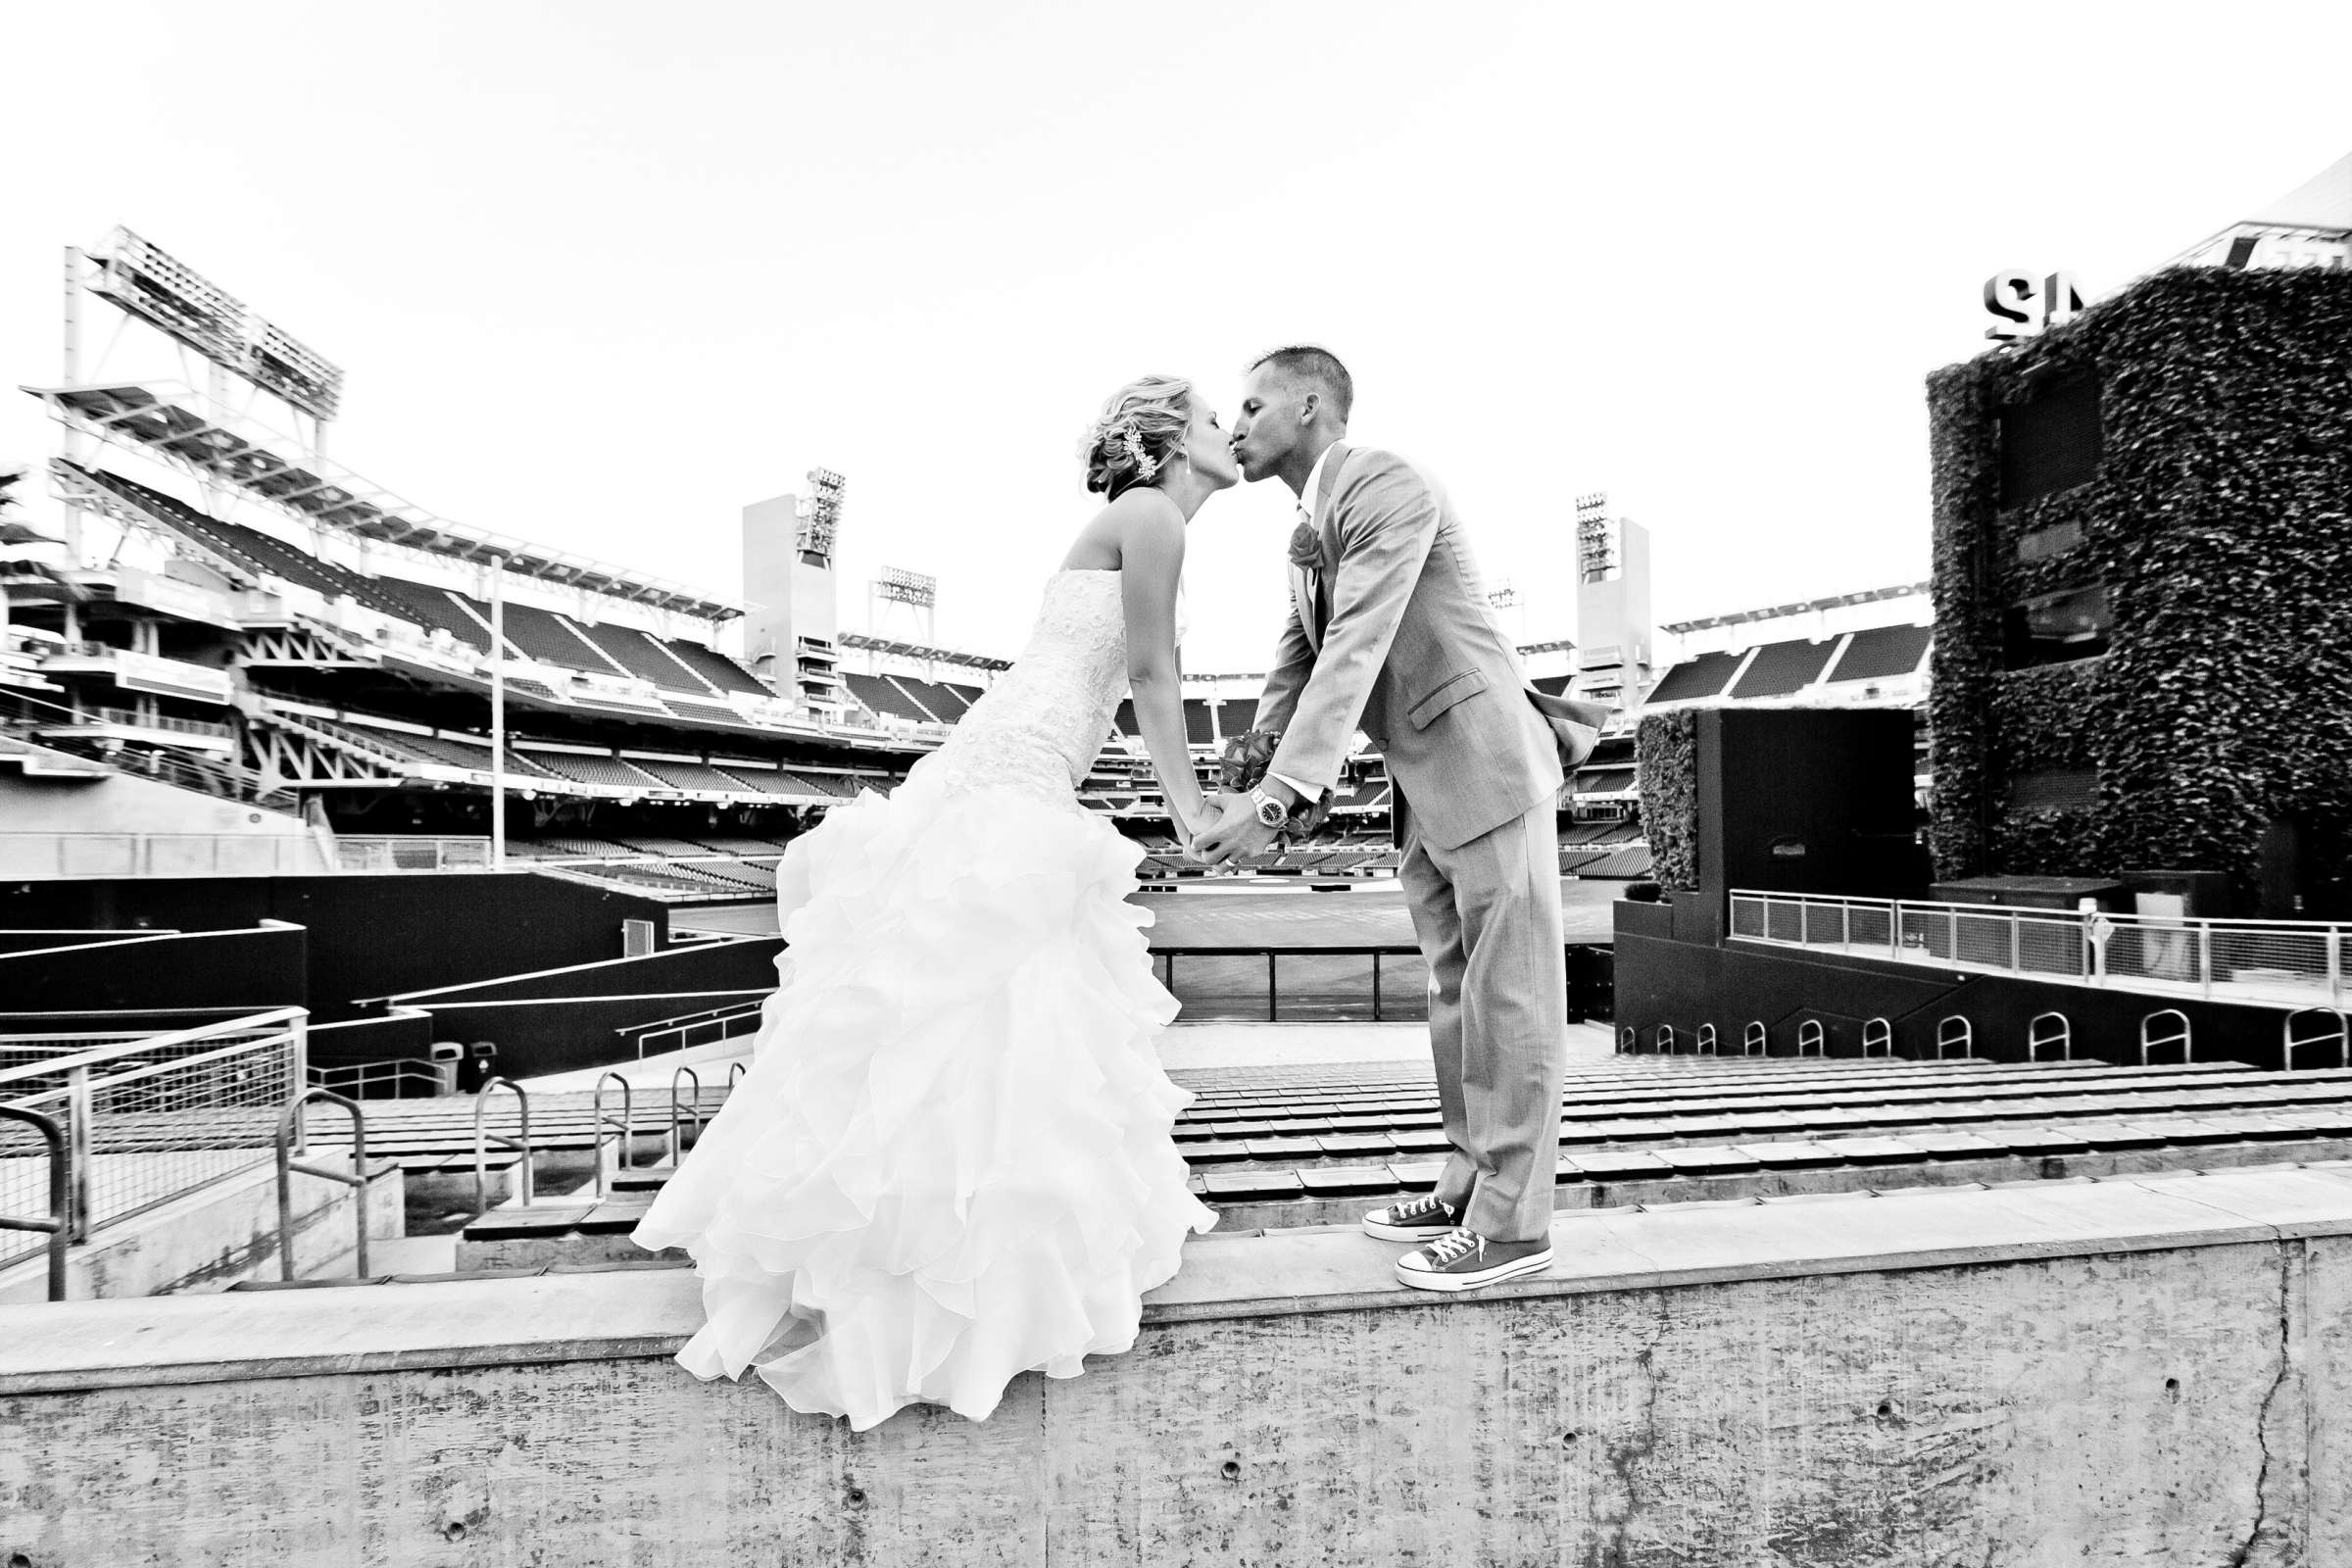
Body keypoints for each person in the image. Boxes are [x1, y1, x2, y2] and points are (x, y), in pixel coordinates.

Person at [632, 374, 1228, 1429]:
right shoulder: (1152, 516)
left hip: (1010, 765)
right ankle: (938, 1274)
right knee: (977, 1006)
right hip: (1016, 773)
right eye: (1218, 419)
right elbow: (1150, 671)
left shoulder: (1135, 518)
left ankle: (950, 1269)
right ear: (1176, 442)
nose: (1233, 434)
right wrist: (1188, 807)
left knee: (980, 1015)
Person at [1196, 345, 1576, 1293]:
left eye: (1251, 405)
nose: (1233, 425)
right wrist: (1247, 761)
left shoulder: (1384, 482)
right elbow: (1297, 661)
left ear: (1312, 405)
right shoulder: (1308, 528)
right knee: (1456, 992)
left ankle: (1514, 1224)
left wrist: (1281, 799)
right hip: (1423, 776)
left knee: (1509, 991)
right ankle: (1465, 1183)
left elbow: (1357, 643)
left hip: (1482, 760)